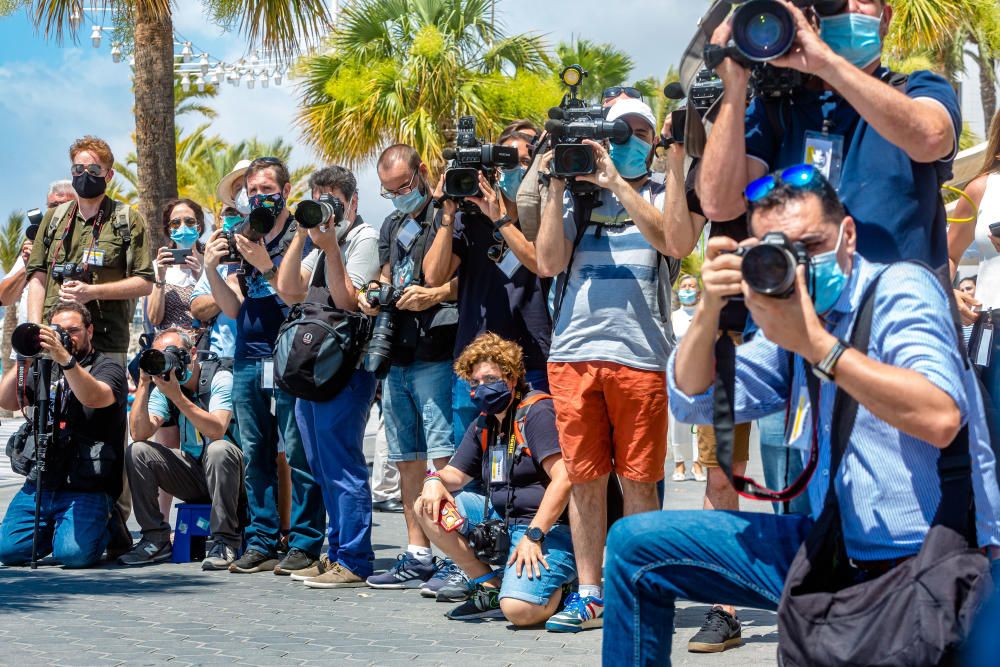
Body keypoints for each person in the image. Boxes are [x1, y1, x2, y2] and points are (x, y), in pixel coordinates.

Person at [602, 164, 1000, 664]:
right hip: (835, 543)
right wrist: (708, 311)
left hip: (931, 557)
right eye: (783, 254)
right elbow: (693, 402)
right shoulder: (796, 314)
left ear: (848, 235)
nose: (803, 267)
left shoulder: (900, 289)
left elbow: (940, 415)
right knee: (636, 546)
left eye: (811, 246)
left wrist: (817, 346)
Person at [534, 98, 681, 633]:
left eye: (639, 130)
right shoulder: (576, 192)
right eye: (618, 131)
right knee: (586, 479)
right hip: (573, 355)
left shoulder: (665, 192)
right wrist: (555, 180)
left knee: (640, 482)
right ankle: (592, 592)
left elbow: (671, 239)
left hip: (641, 357)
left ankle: (640, 590)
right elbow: (548, 262)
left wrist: (620, 183)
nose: (629, 138)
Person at [697, 0, 960, 271]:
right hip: (799, 305)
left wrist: (826, 63)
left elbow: (931, 139)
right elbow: (720, 204)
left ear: (886, 18)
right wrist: (735, 85)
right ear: (811, 17)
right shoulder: (778, 108)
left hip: (896, 306)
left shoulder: (918, 88)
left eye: (865, 0)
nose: (850, 7)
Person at [201, 156, 325, 576]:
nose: (258, 198)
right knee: (256, 454)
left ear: (286, 191)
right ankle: (261, 539)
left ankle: (306, 542)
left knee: (298, 451)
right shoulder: (244, 234)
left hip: (292, 356)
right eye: (252, 191)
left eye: (266, 190)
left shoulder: (300, 234)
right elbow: (234, 308)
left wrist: (264, 264)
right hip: (248, 358)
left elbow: (298, 296)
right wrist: (211, 269)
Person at [413, 333, 576, 625]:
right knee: (426, 505)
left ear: (512, 379)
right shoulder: (486, 422)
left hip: (547, 530)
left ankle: (565, 588)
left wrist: (534, 535)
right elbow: (456, 474)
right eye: (475, 383)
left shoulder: (536, 412)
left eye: (490, 379)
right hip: (503, 521)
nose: (481, 388)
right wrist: (433, 480)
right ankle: (488, 586)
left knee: (519, 612)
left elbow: (563, 479)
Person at [275, 165, 383, 588]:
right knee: (320, 465)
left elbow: (349, 301)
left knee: (342, 465)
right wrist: (303, 230)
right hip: (313, 370)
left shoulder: (362, 238)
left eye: (333, 201)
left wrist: (331, 247)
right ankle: (335, 553)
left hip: (347, 369)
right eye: (319, 199)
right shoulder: (320, 242)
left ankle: (354, 560)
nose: (327, 209)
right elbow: (288, 290)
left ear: (353, 202)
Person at [357, 145, 458, 589]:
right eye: (389, 189)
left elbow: (449, 277)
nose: (398, 195)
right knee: (405, 459)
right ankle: (419, 552)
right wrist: (373, 289)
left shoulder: (447, 212)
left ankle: (459, 553)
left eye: (404, 186)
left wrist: (433, 295)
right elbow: (385, 270)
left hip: (436, 349)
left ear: (422, 173)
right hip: (396, 350)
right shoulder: (392, 223)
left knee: (444, 456)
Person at [423, 123, 552, 447]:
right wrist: (447, 215)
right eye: (505, 163)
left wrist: (500, 219)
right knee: (470, 463)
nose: (511, 171)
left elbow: (541, 263)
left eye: (520, 162)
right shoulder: (470, 217)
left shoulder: (543, 212)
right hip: (474, 365)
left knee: (536, 459)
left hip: (530, 360)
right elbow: (434, 276)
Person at [0, 302, 127, 568]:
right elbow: (6, 401)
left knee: (73, 556)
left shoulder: (107, 367)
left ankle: (109, 526)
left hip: (87, 483)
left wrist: (66, 360)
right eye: (60, 330)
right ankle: (57, 529)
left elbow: (94, 397)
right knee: (8, 552)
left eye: (74, 330)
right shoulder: (43, 366)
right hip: (43, 481)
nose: (67, 336)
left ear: (90, 330)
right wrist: (26, 353)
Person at [26, 136, 155, 367]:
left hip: (105, 342)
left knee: (100, 402)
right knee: (47, 402)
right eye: (78, 168)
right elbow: (37, 276)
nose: (85, 175)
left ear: (109, 175)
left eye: (94, 169)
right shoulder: (54, 218)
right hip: (53, 340)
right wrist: (37, 329)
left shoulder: (126, 219)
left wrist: (92, 291)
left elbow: (144, 283)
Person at [119, 329, 242, 569]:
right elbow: (139, 433)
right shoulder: (166, 387)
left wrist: (177, 397)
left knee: (219, 449)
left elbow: (216, 429)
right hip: (197, 474)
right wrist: (144, 385)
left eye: (173, 354)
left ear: (192, 353)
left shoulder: (219, 377)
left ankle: (226, 541)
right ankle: (156, 539)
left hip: (234, 477)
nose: (168, 362)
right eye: (160, 356)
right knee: (138, 451)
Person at [0, 180, 75, 314]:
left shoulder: (91, 240)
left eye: (65, 205)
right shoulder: (36, 244)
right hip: (33, 331)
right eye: (53, 205)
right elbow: (3, 298)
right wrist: (30, 265)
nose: (58, 210)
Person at [145, 199, 204, 332]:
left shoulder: (211, 265)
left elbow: (218, 312)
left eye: (189, 222)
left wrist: (201, 277)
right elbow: (154, 319)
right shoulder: (157, 266)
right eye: (176, 223)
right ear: (170, 230)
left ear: (198, 227)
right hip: (168, 348)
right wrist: (160, 277)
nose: (183, 227)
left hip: (203, 347)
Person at [669, 275, 704, 483]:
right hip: (677, 375)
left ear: (699, 292)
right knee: (677, 423)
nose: (688, 289)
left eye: (692, 286)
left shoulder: (704, 315)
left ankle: (698, 465)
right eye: (684, 286)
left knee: (698, 422)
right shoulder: (673, 317)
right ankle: (679, 464)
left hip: (701, 374)